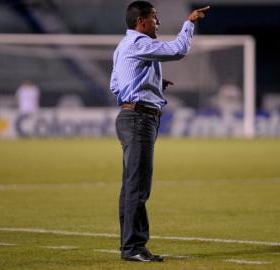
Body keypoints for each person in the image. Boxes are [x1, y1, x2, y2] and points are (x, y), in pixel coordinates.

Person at [110, 1, 210, 262]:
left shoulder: (123, 46)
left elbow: (115, 84)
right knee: (138, 187)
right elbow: (178, 50)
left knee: (131, 187)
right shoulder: (139, 43)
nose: (159, 22)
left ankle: (130, 246)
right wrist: (190, 23)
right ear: (141, 21)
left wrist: (152, 83)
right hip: (139, 118)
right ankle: (133, 248)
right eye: (155, 17)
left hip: (133, 115)